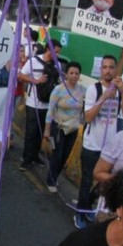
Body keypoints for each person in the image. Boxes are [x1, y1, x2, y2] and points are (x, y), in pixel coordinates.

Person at [75, 56, 123, 230]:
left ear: (115, 70)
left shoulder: (119, 91)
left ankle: (87, 205)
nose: (108, 70)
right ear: (101, 70)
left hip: (109, 148)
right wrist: (105, 97)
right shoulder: (94, 89)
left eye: (111, 67)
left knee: (104, 181)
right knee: (87, 181)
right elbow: (88, 117)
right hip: (92, 145)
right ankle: (80, 213)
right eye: (104, 67)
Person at [18, 40, 62, 172]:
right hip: (33, 103)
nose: (57, 55)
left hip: (48, 105)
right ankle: (26, 159)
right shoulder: (33, 61)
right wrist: (35, 80)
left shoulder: (57, 65)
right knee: (31, 132)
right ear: (49, 49)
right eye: (56, 52)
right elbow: (20, 75)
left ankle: (35, 155)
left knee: (41, 132)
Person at [44, 61, 84, 193]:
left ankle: (54, 177)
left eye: (76, 73)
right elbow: (50, 110)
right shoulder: (58, 89)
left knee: (65, 156)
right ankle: (50, 180)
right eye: (71, 73)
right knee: (58, 155)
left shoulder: (83, 91)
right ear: (66, 74)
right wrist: (47, 129)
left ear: (79, 75)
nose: (74, 76)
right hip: (59, 127)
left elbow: (84, 109)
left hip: (73, 129)